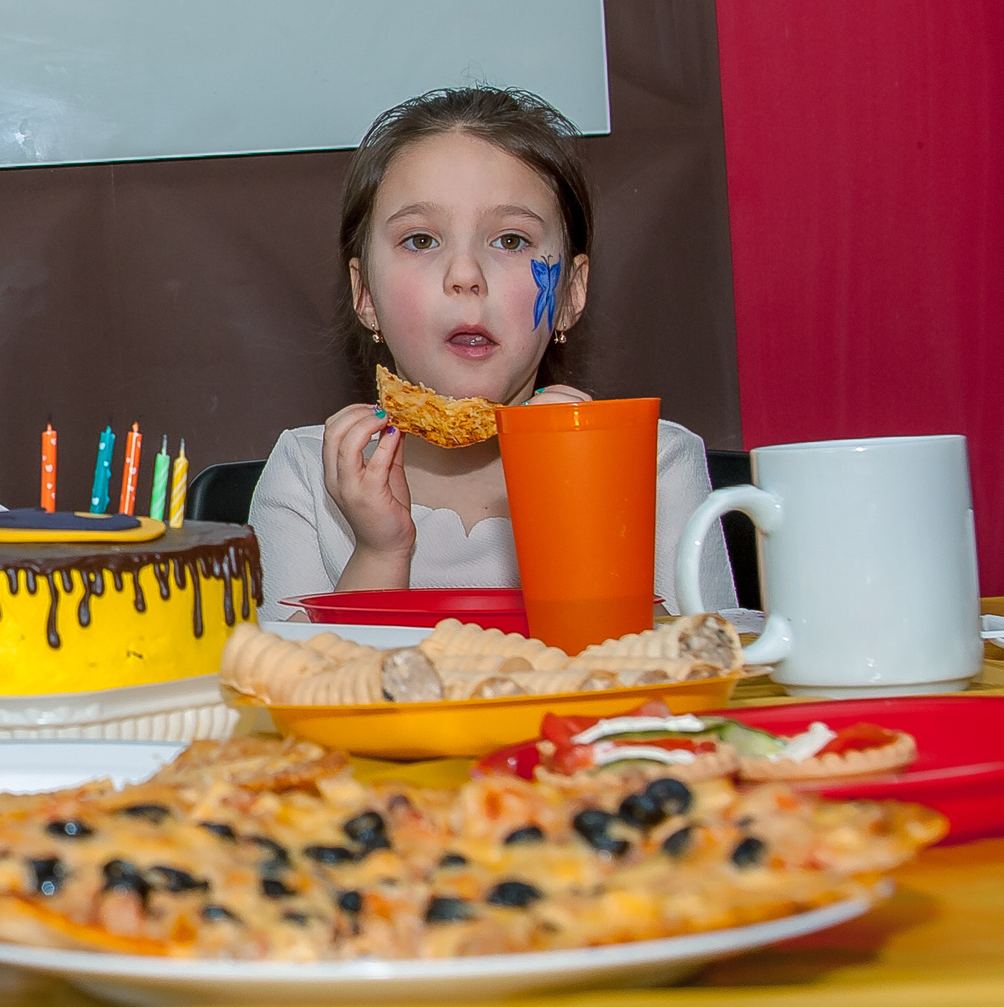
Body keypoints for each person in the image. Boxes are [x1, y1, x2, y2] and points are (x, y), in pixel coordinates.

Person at [249, 86, 736, 613]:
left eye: (510, 241)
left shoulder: (652, 464)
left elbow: (691, 676)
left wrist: (584, 524)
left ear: (571, 293)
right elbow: (307, 687)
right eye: (420, 241)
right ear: (365, 295)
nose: (465, 276)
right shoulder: (307, 476)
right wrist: (380, 550)